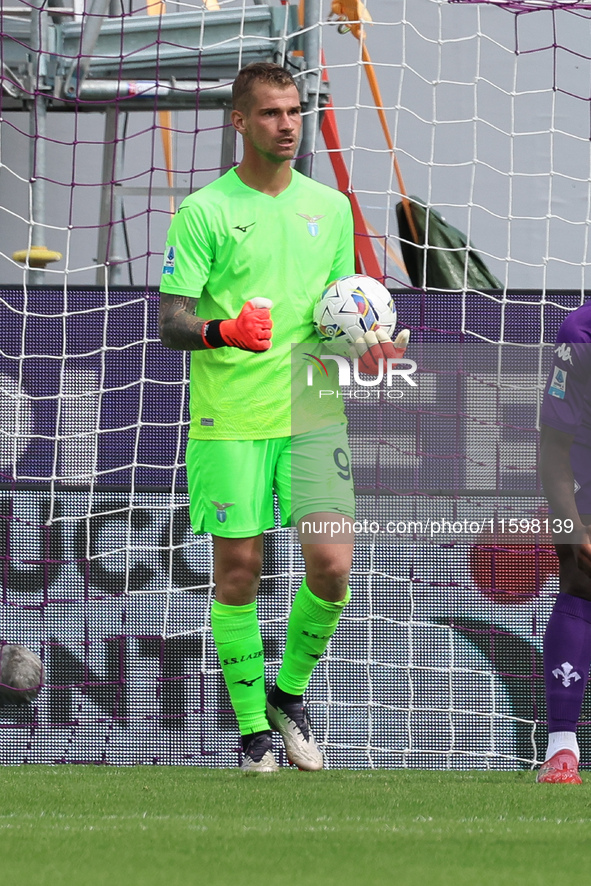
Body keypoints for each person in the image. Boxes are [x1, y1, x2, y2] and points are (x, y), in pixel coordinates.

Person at [159, 62, 404, 772]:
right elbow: (172, 320)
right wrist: (222, 331)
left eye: (294, 111)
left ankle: (287, 694)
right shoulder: (202, 211)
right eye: (270, 113)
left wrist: (368, 344)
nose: (287, 124)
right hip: (230, 416)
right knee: (238, 574)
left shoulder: (328, 208)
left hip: (312, 409)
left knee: (332, 567)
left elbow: (338, 311)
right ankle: (251, 738)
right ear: (240, 121)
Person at [537, 300, 591, 783]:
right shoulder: (582, 331)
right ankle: (561, 747)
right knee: (581, 582)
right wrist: (573, 529)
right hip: (587, 482)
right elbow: (552, 448)